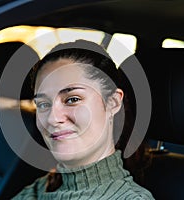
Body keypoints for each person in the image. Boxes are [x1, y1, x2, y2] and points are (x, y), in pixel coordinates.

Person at [13, 40, 154, 199]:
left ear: (112, 103)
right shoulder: (40, 189)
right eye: (43, 104)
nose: (53, 118)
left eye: (72, 99)